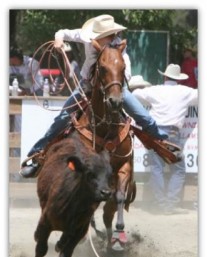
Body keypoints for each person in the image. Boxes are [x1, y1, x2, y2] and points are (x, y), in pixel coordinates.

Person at [20, 14, 170, 178]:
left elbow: (125, 67)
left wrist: (118, 82)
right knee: (62, 118)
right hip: (87, 85)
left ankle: (162, 144)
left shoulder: (119, 45)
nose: (97, 39)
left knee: (142, 115)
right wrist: (59, 40)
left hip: (113, 87)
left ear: (110, 35)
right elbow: (62, 32)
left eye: (102, 36)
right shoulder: (86, 37)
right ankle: (37, 156)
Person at [132, 64, 198, 214]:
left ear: (165, 76)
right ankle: (169, 204)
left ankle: (160, 204)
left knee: (157, 168)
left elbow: (135, 94)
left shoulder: (155, 90)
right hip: (172, 134)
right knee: (179, 170)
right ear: (178, 79)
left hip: (154, 132)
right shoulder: (185, 92)